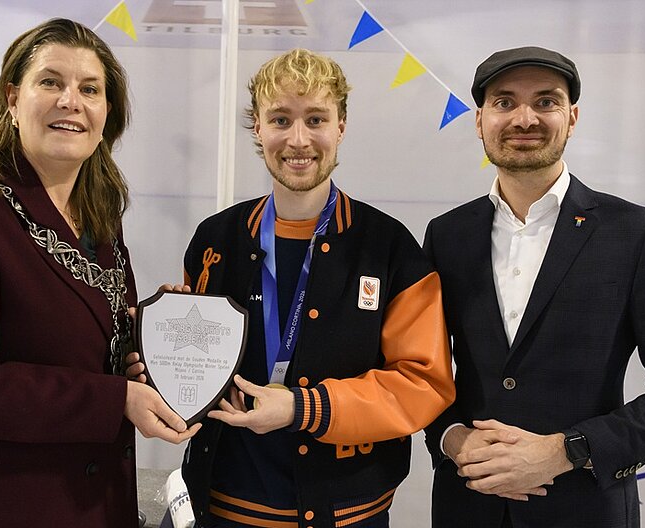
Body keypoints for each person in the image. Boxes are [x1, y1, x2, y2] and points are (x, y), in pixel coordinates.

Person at [0, 18, 199, 528]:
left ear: (108, 114)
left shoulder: (97, 210)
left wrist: (153, 335)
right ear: (13, 99)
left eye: (89, 89)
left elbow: (82, 339)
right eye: (50, 82)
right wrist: (115, 399)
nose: (70, 101)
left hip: (96, 502)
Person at [423, 46, 645, 527]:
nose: (525, 118)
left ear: (572, 117)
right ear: (479, 120)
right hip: (468, 507)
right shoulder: (447, 234)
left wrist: (567, 450)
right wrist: (451, 436)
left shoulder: (635, 232)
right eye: (504, 102)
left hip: (585, 510)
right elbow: (420, 373)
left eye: (546, 101)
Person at [176, 48, 456, 527]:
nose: (298, 139)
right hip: (227, 506)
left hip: (348, 512)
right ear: (257, 128)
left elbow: (423, 382)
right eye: (280, 119)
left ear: (341, 126)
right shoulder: (215, 239)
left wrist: (304, 408)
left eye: (317, 119)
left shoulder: (389, 247)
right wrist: (161, 345)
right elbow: (197, 372)